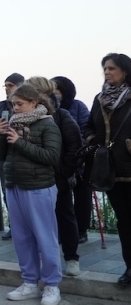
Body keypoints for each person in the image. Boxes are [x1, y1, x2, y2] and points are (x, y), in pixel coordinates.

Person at [0, 84, 63, 305]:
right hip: (15, 185)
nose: (15, 108)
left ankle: (52, 285)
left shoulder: (47, 124)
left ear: (34, 103)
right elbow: (0, 155)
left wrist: (20, 143)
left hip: (38, 187)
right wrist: (0, 136)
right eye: (13, 104)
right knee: (22, 239)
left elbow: (52, 157)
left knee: (45, 237)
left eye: (19, 104)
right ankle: (30, 283)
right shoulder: (12, 126)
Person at [26, 76, 82, 276]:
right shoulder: (23, 116)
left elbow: (75, 145)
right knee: (40, 222)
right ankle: (46, 260)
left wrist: (64, 172)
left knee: (65, 217)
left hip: (58, 177)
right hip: (34, 179)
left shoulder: (61, 115)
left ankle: (71, 258)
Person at [85, 53, 131, 286]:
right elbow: (88, 126)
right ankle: (130, 267)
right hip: (110, 169)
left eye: (111, 68)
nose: (107, 72)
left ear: (125, 71)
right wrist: (95, 142)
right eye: (104, 68)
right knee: (124, 221)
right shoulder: (100, 99)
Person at [52, 75, 92, 243]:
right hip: (60, 161)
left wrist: (80, 152)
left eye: (56, 91)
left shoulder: (78, 106)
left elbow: (86, 128)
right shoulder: (50, 110)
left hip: (79, 160)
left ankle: (81, 230)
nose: (53, 94)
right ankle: (64, 231)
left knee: (82, 196)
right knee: (62, 200)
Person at [0, 72, 25, 240]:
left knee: (26, 191)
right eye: (6, 86)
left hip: (23, 153)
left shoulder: (29, 104)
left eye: (10, 85)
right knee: (7, 191)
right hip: (4, 155)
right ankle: (15, 226)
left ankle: (27, 227)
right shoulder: (1, 106)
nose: (7, 89)